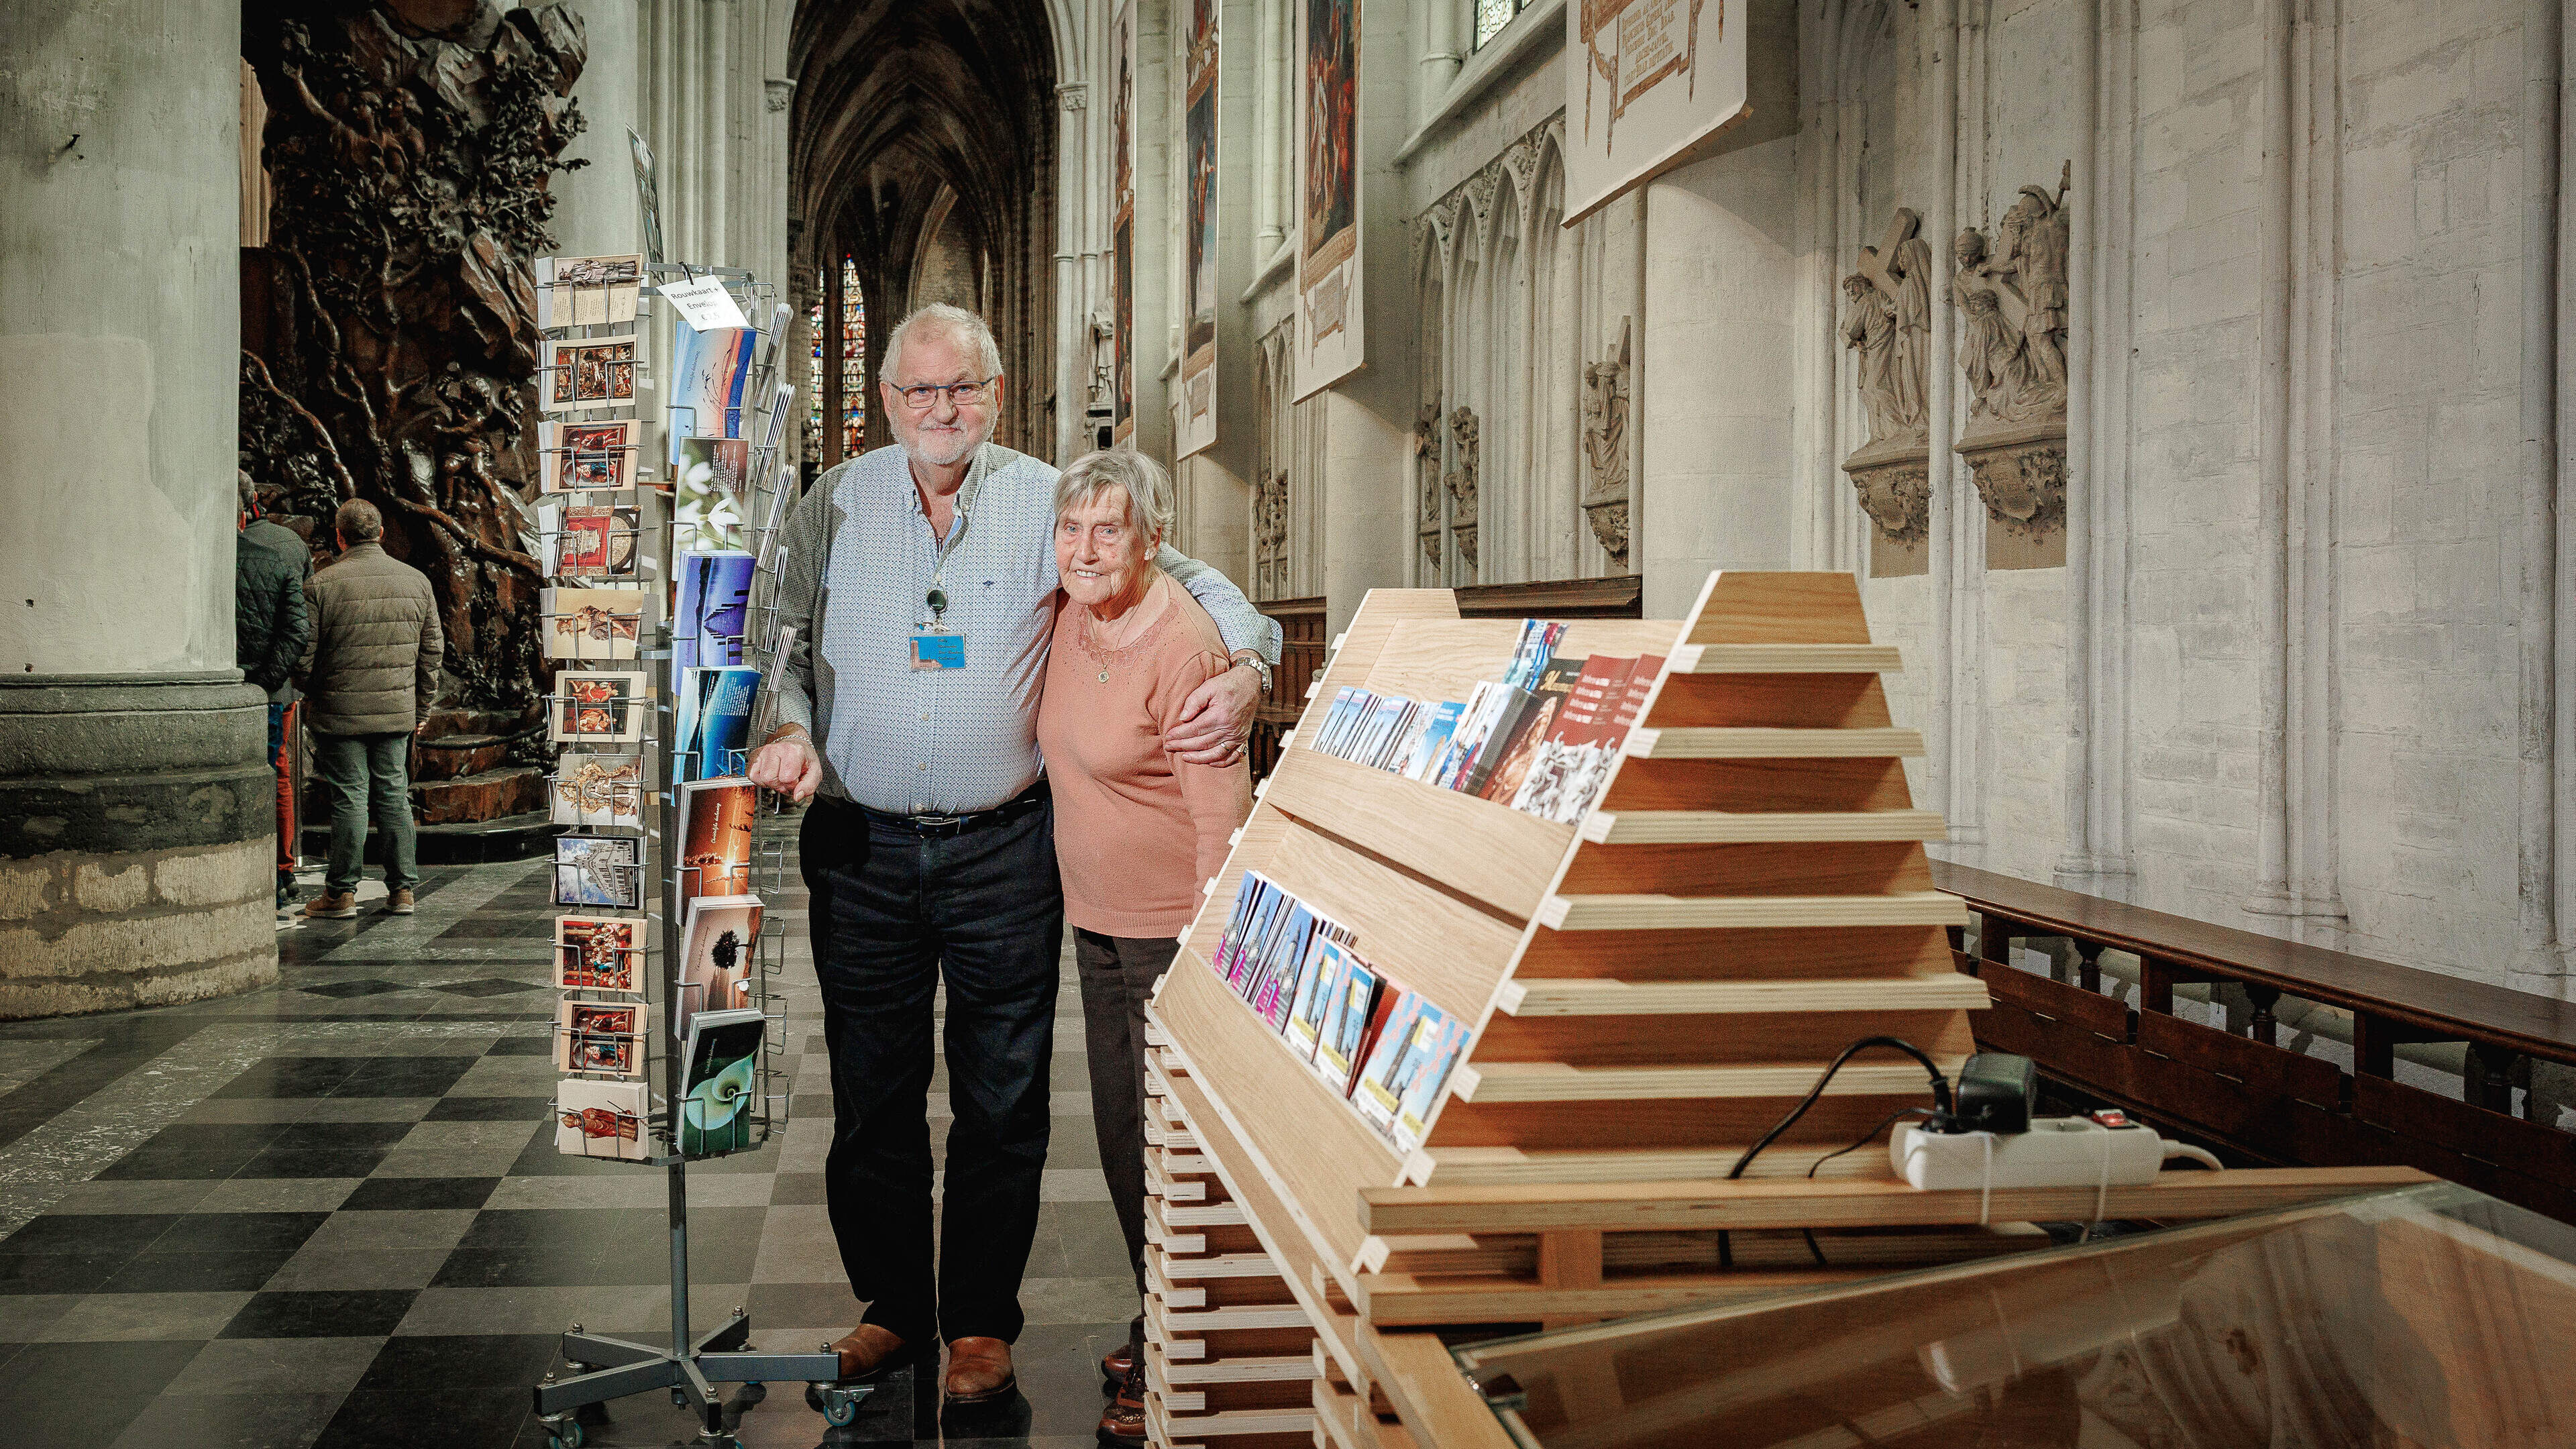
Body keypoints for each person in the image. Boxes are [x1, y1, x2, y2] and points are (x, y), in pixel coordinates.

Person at [749, 303, 1279, 1405]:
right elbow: (777, 640)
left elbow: (1191, 579)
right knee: (873, 1091)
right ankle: (896, 1307)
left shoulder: (1051, 500)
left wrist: (1249, 669)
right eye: (919, 392)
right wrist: (788, 727)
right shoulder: (832, 504)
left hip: (1005, 852)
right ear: (888, 400)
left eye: (964, 390)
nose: (942, 411)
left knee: (1003, 1096)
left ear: (993, 391)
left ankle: (980, 1325)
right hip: (863, 849)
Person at [1036, 448, 1252, 1441]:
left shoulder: (1188, 647)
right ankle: (1159, 1312)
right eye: (1070, 528)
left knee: (1172, 1148)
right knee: (1126, 1143)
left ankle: (1186, 1344)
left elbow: (1223, 815)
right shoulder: (1069, 615)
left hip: (1173, 936)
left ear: (1153, 539)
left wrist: (1209, 955)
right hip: (1100, 925)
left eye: (1107, 529)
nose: (1084, 549)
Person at [296, 499, 442, 919]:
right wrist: (421, 706)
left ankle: (341, 895)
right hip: (395, 712)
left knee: (349, 798)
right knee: (394, 794)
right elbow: (433, 650)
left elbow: (304, 656)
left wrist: (309, 688)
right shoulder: (416, 582)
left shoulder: (323, 585)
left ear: (340, 536)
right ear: (380, 533)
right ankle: (402, 892)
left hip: (338, 713)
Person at [235, 474, 311, 908]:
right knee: (278, 773)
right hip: (275, 689)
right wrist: (269, 681)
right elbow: (299, 624)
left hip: (235, 686)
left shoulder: (215, 554)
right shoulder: (290, 547)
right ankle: (283, 872)